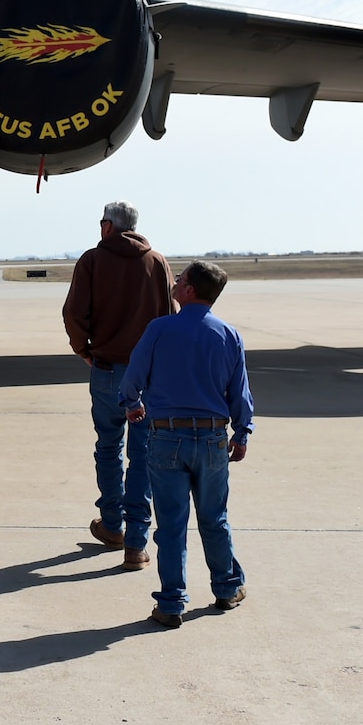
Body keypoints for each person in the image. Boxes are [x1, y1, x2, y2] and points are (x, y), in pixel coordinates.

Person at [120, 261, 253, 627]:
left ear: (191, 290)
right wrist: (242, 433)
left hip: (166, 436)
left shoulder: (160, 329)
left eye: (180, 280)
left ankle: (171, 602)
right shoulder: (228, 334)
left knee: (172, 525)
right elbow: (239, 392)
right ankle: (226, 588)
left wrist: (133, 404)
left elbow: (133, 377)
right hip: (212, 438)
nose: (175, 283)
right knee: (215, 519)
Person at [63, 200, 176, 571]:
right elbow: (169, 316)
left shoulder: (92, 261)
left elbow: (74, 313)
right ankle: (136, 543)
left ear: (109, 226)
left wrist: (83, 350)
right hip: (150, 375)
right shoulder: (157, 262)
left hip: (107, 369)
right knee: (142, 454)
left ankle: (112, 525)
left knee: (108, 447)